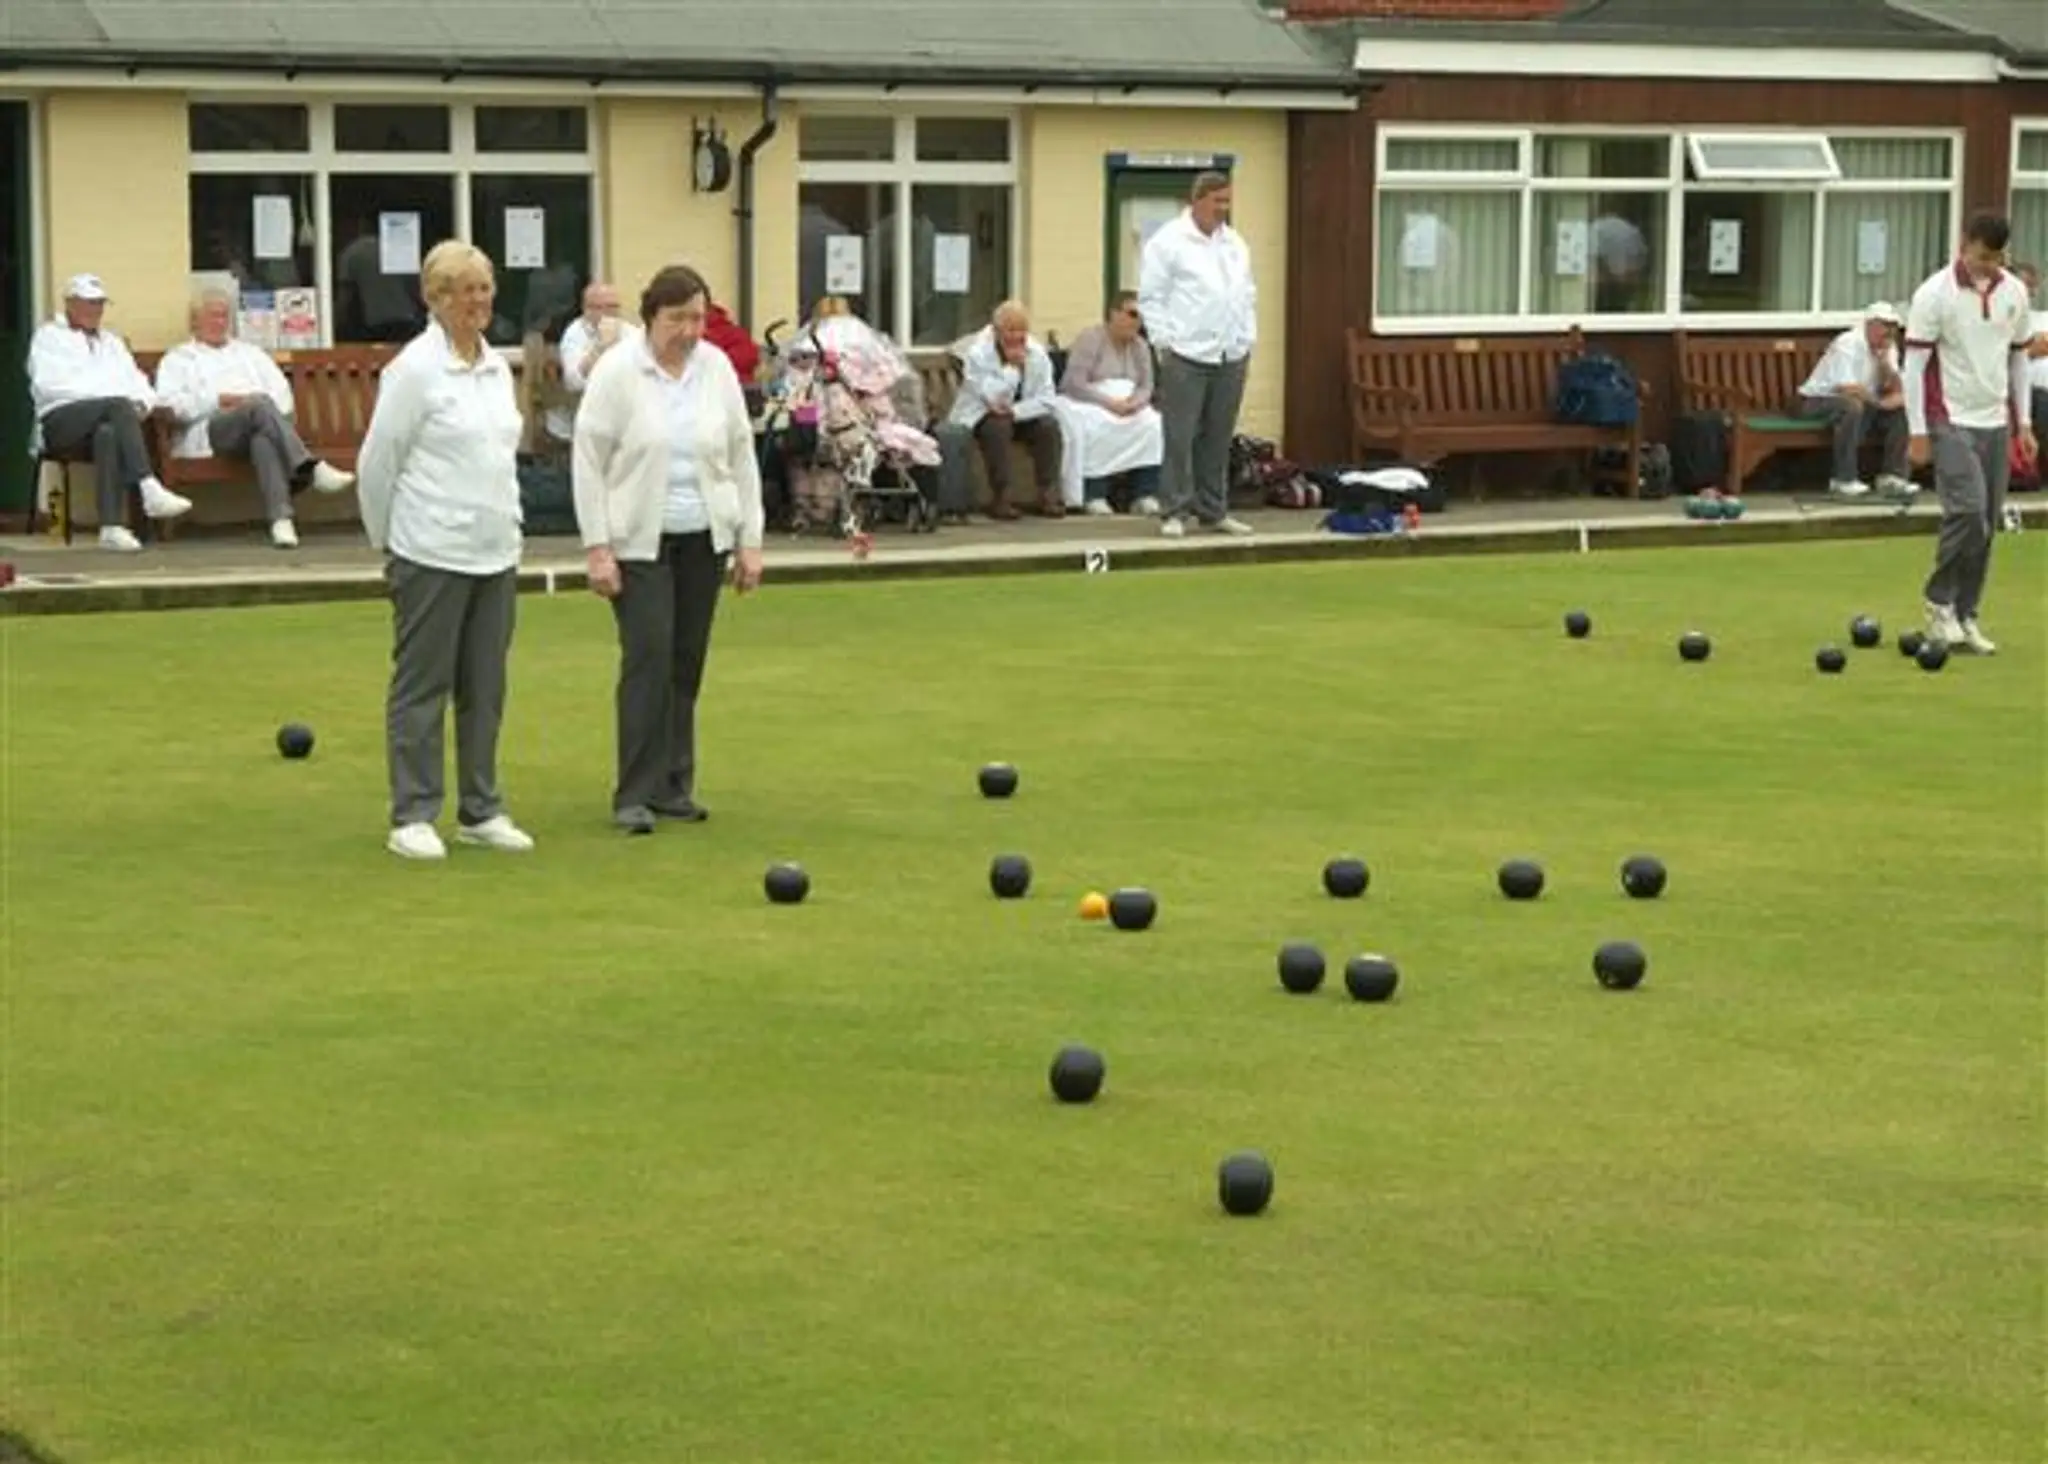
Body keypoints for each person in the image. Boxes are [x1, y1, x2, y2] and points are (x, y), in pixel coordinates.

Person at [356, 240, 534, 861]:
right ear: (435, 299)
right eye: (464, 290)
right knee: (422, 686)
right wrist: (390, 544)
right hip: (430, 549)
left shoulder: (493, 364)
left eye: (484, 288)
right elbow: (378, 463)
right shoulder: (414, 369)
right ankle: (413, 813)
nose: (478, 301)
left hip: (495, 548)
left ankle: (481, 809)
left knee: (485, 687)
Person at [572, 264, 766, 835]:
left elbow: (739, 455)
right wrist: (597, 548)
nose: (688, 330)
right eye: (677, 318)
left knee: (685, 663)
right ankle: (632, 792)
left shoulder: (716, 369)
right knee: (648, 658)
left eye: (698, 319)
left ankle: (673, 786)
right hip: (638, 539)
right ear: (651, 315)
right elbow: (589, 459)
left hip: (703, 535)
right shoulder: (618, 371)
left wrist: (749, 541)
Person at [1901, 211, 2039, 655]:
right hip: (1950, 417)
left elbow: (2019, 358)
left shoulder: (2014, 291)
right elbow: (1915, 365)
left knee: (1988, 522)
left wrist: (2025, 423)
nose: (1988, 265)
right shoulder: (1933, 294)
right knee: (1968, 512)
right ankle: (1938, 601)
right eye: (1982, 255)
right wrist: (1917, 430)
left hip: (1995, 419)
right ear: (1965, 244)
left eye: (1996, 257)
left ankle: (1966, 614)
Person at [153, 285, 356, 548]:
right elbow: (170, 405)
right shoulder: (178, 359)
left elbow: (283, 397)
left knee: (262, 438)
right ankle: (310, 467)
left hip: (256, 427)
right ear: (195, 321)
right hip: (210, 431)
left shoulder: (251, 354)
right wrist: (218, 400)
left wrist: (253, 408)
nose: (220, 322)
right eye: (212, 315)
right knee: (259, 404)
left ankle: (281, 520)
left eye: (224, 316)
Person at [27, 272, 193, 550]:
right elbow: (50, 386)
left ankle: (111, 527)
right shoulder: (49, 338)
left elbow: (137, 381)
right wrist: (108, 399)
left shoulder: (112, 342)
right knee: (116, 406)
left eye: (99, 304)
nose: (95, 310)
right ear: (70, 304)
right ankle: (148, 484)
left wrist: (143, 402)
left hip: (105, 420)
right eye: (88, 303)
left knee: (109, 433)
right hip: (60, 420)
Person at [1138, 170, 1257, 539]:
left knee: (1219, 437)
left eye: (1227, 201)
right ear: (1197, 200)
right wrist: (1165, 344)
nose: (1223, 209)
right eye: (1217, 201)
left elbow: (1247, 293)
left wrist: (1247, 337)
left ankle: (1213, 510)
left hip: (1230, 353)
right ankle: (1174, 510)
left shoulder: (1235, 242)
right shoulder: (1169, 242)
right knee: (1180, 436)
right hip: (1186, 354)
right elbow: (1151, 297)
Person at [937, 299, 1063, 521]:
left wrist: (1017, 412)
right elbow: (993, 398)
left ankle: (1048, 493)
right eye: (1010, 330)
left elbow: (1047, 398)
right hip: (981, 414)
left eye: (1021, 330)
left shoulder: (1037, 352)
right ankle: (1001, 496)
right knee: (998, 426)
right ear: (996, 331)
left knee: (1048, 426)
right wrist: (1012, 368)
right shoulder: (977, 353)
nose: (1016, 337)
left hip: (1020, 413)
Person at [1055, 291, 1164, 516]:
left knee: (1153, 424)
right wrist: (1108, 403)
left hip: (1128, 402)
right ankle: (1094, 493)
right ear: (1113, 314)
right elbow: (1074, 383)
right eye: (1132, 314)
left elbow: (1147, 385)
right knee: (1097, 426)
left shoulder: (1141, 346)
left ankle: (1144, 493)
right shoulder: (1091, 338)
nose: (1137, 321)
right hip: (1090, 400)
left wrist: (1135, 403)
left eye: (1141, 316)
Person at [1795, 301, 1914, 499]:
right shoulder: (1848, 342)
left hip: (1862, 402)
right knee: (1851, 406)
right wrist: (1880, 403)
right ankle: (1843, 479)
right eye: (1885, 326)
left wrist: (1885, 365)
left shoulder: (1889, 346)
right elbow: (1847, 388)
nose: (1890, 332)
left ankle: (1893, 477)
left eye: (1893, 327)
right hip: (1815, 400)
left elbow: (1895, 388)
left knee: (1901, 410)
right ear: (1870, 324)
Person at [548, 281, 623, 443]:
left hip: (618, 416)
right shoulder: (575, 334)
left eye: (614, 307)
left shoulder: (628, 332)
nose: (611, 314)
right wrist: (601, 347)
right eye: (605, 308)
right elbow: (573, 382)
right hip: (581, 418)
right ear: (588, 310)